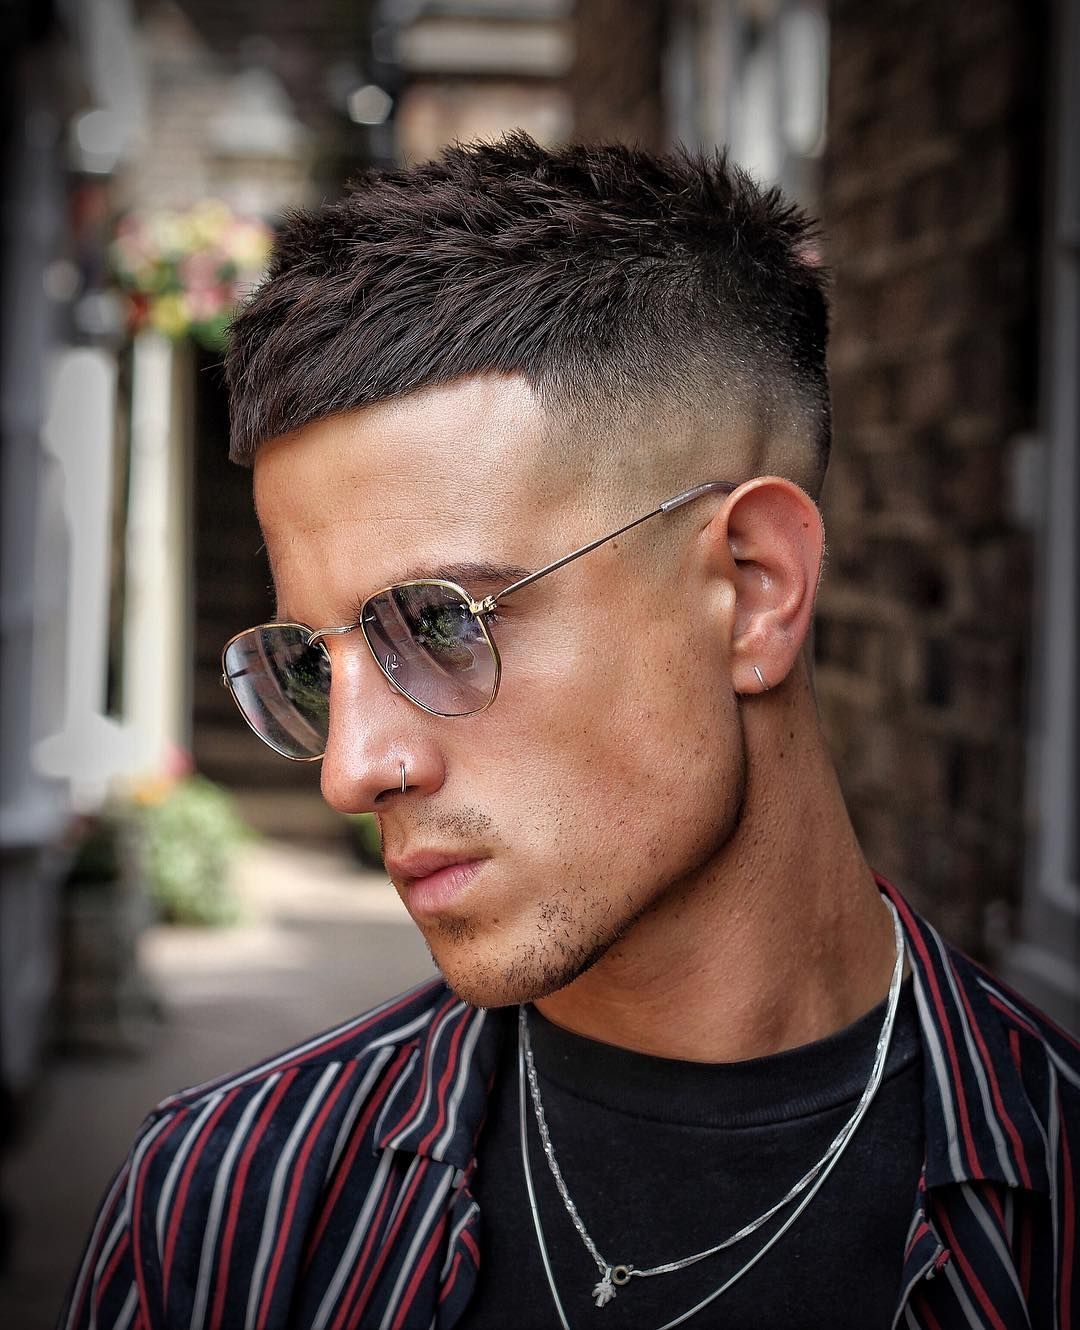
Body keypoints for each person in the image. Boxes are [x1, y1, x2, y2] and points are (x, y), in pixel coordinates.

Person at [62, 134, 1078, 1330]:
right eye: (312, 662)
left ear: (753, 590)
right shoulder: (223, 1214)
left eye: (439, 624)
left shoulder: (1049, 1204)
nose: (351, 768)